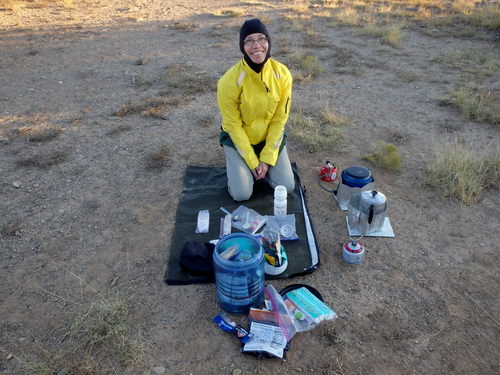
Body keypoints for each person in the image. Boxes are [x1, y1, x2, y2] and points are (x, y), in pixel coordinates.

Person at [217, 18, 295, 202]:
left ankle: (259, 170)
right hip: (239, 139)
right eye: (249, 41)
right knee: (241, 194)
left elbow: (280, 119)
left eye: (262, 39)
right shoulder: (229, 81)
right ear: (242, 46)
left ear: (268, 42)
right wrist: (252, 161)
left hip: (268, 138)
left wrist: (267, 158)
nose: (256, 45)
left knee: (287, 187)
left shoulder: (282, 73)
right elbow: (233, 125)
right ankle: (242, 167)